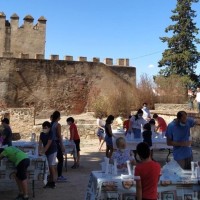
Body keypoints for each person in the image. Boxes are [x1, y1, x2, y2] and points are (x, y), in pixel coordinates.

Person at [39, 121, 57, 188]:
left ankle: (53, 182)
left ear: (49, 128)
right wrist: (39, 151)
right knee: (47, 167)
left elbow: (48, 144)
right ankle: (49, 181)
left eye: (45, 128)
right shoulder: (42, 134)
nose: (44, 129)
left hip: (52, 151)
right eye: (43, 128)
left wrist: (42, 152)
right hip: (46, 151)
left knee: (51, 166)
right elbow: (40, 143)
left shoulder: (51, 133)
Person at [51, 111, 66, 181]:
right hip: (56, 143)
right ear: (58, 117)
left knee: (51, 160)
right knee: (60, 159)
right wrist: (62, 145)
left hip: (50, 143)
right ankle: (59, 176)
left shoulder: (50, 124)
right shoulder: (57, 125)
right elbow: (59, 136)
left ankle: (51, 176)